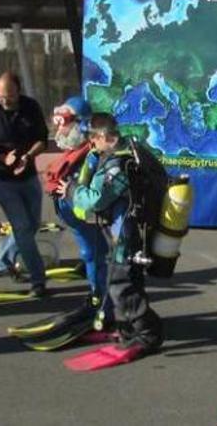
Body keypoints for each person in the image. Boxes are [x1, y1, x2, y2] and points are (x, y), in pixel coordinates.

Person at [71, 113, 163, 353]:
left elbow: (97, 200)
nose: (91, 143)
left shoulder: (119, 164)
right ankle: (129, 328)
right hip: (122, 230)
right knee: (128, 278)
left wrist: (72, 190)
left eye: (92, 137)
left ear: (102, 135)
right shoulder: (124, 154)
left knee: (120, 283)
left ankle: (148, 332)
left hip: (123, 233)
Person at [0, 72, 50, 297]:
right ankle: (38, 280)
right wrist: (1, 158)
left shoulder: (30, 107)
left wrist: (27, 156)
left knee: (32, 224)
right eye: (1, 97)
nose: (6, 101)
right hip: (2, 178)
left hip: (27, 175)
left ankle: (6, 259)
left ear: (19, 91)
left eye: (10, 97)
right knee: (22, 228)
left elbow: (43, 139)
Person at [44, 96, 109, 308]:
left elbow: (95, 192)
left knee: (97, 255)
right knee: (90, 254)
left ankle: (103, 303)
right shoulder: (75, 151)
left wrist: (71, 190)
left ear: (81, 123)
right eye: (57, 122)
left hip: (90, 215)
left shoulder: (93, 154)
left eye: (63, 121)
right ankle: (98, 297)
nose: (59, 129)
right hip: (76, 215)